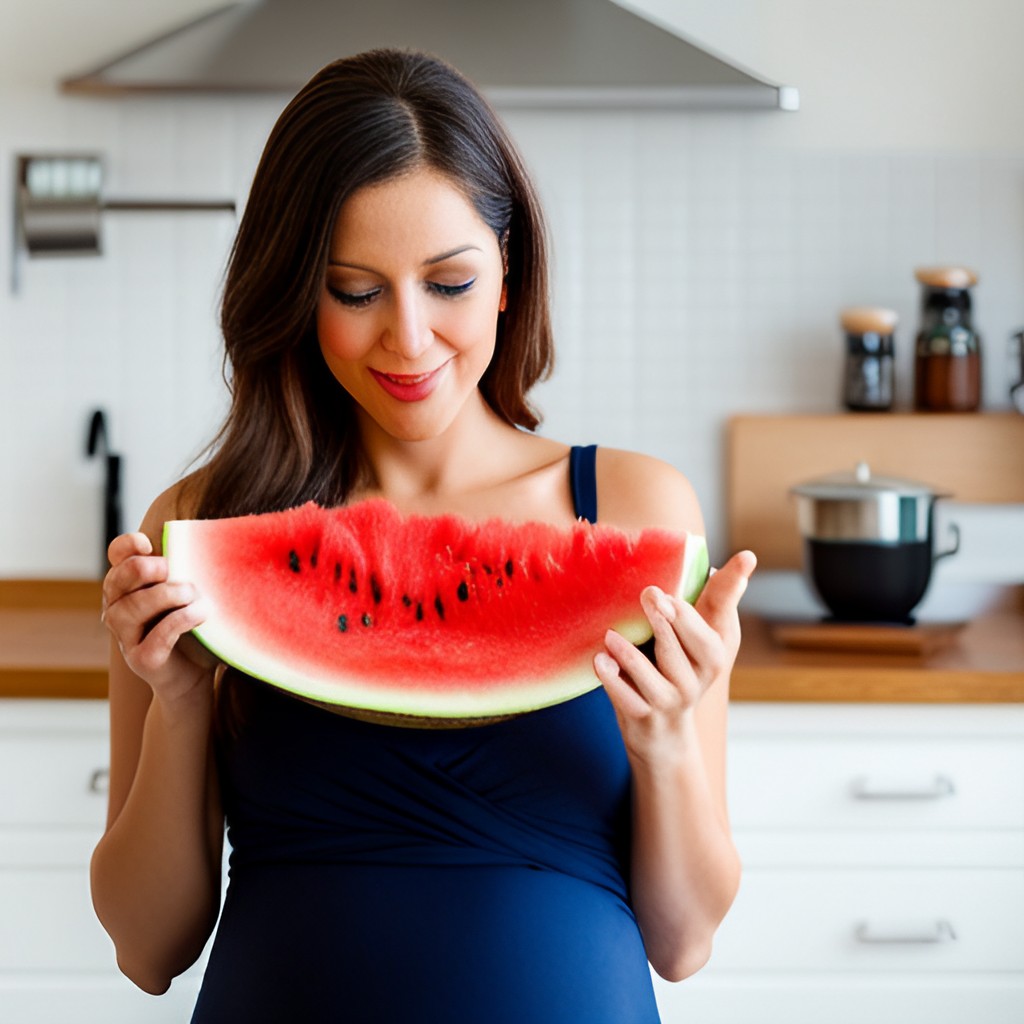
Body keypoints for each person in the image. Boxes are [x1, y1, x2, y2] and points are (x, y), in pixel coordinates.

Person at [90, 48, 756, 1024]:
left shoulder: (633, 507)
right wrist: (179, 703)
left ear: (505, 272)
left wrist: (661, 742)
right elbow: (148, 950)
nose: (407, 339)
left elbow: (684, 941)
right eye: (355, 291)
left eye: (447, 282)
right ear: (293, 293)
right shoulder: (196, 530)